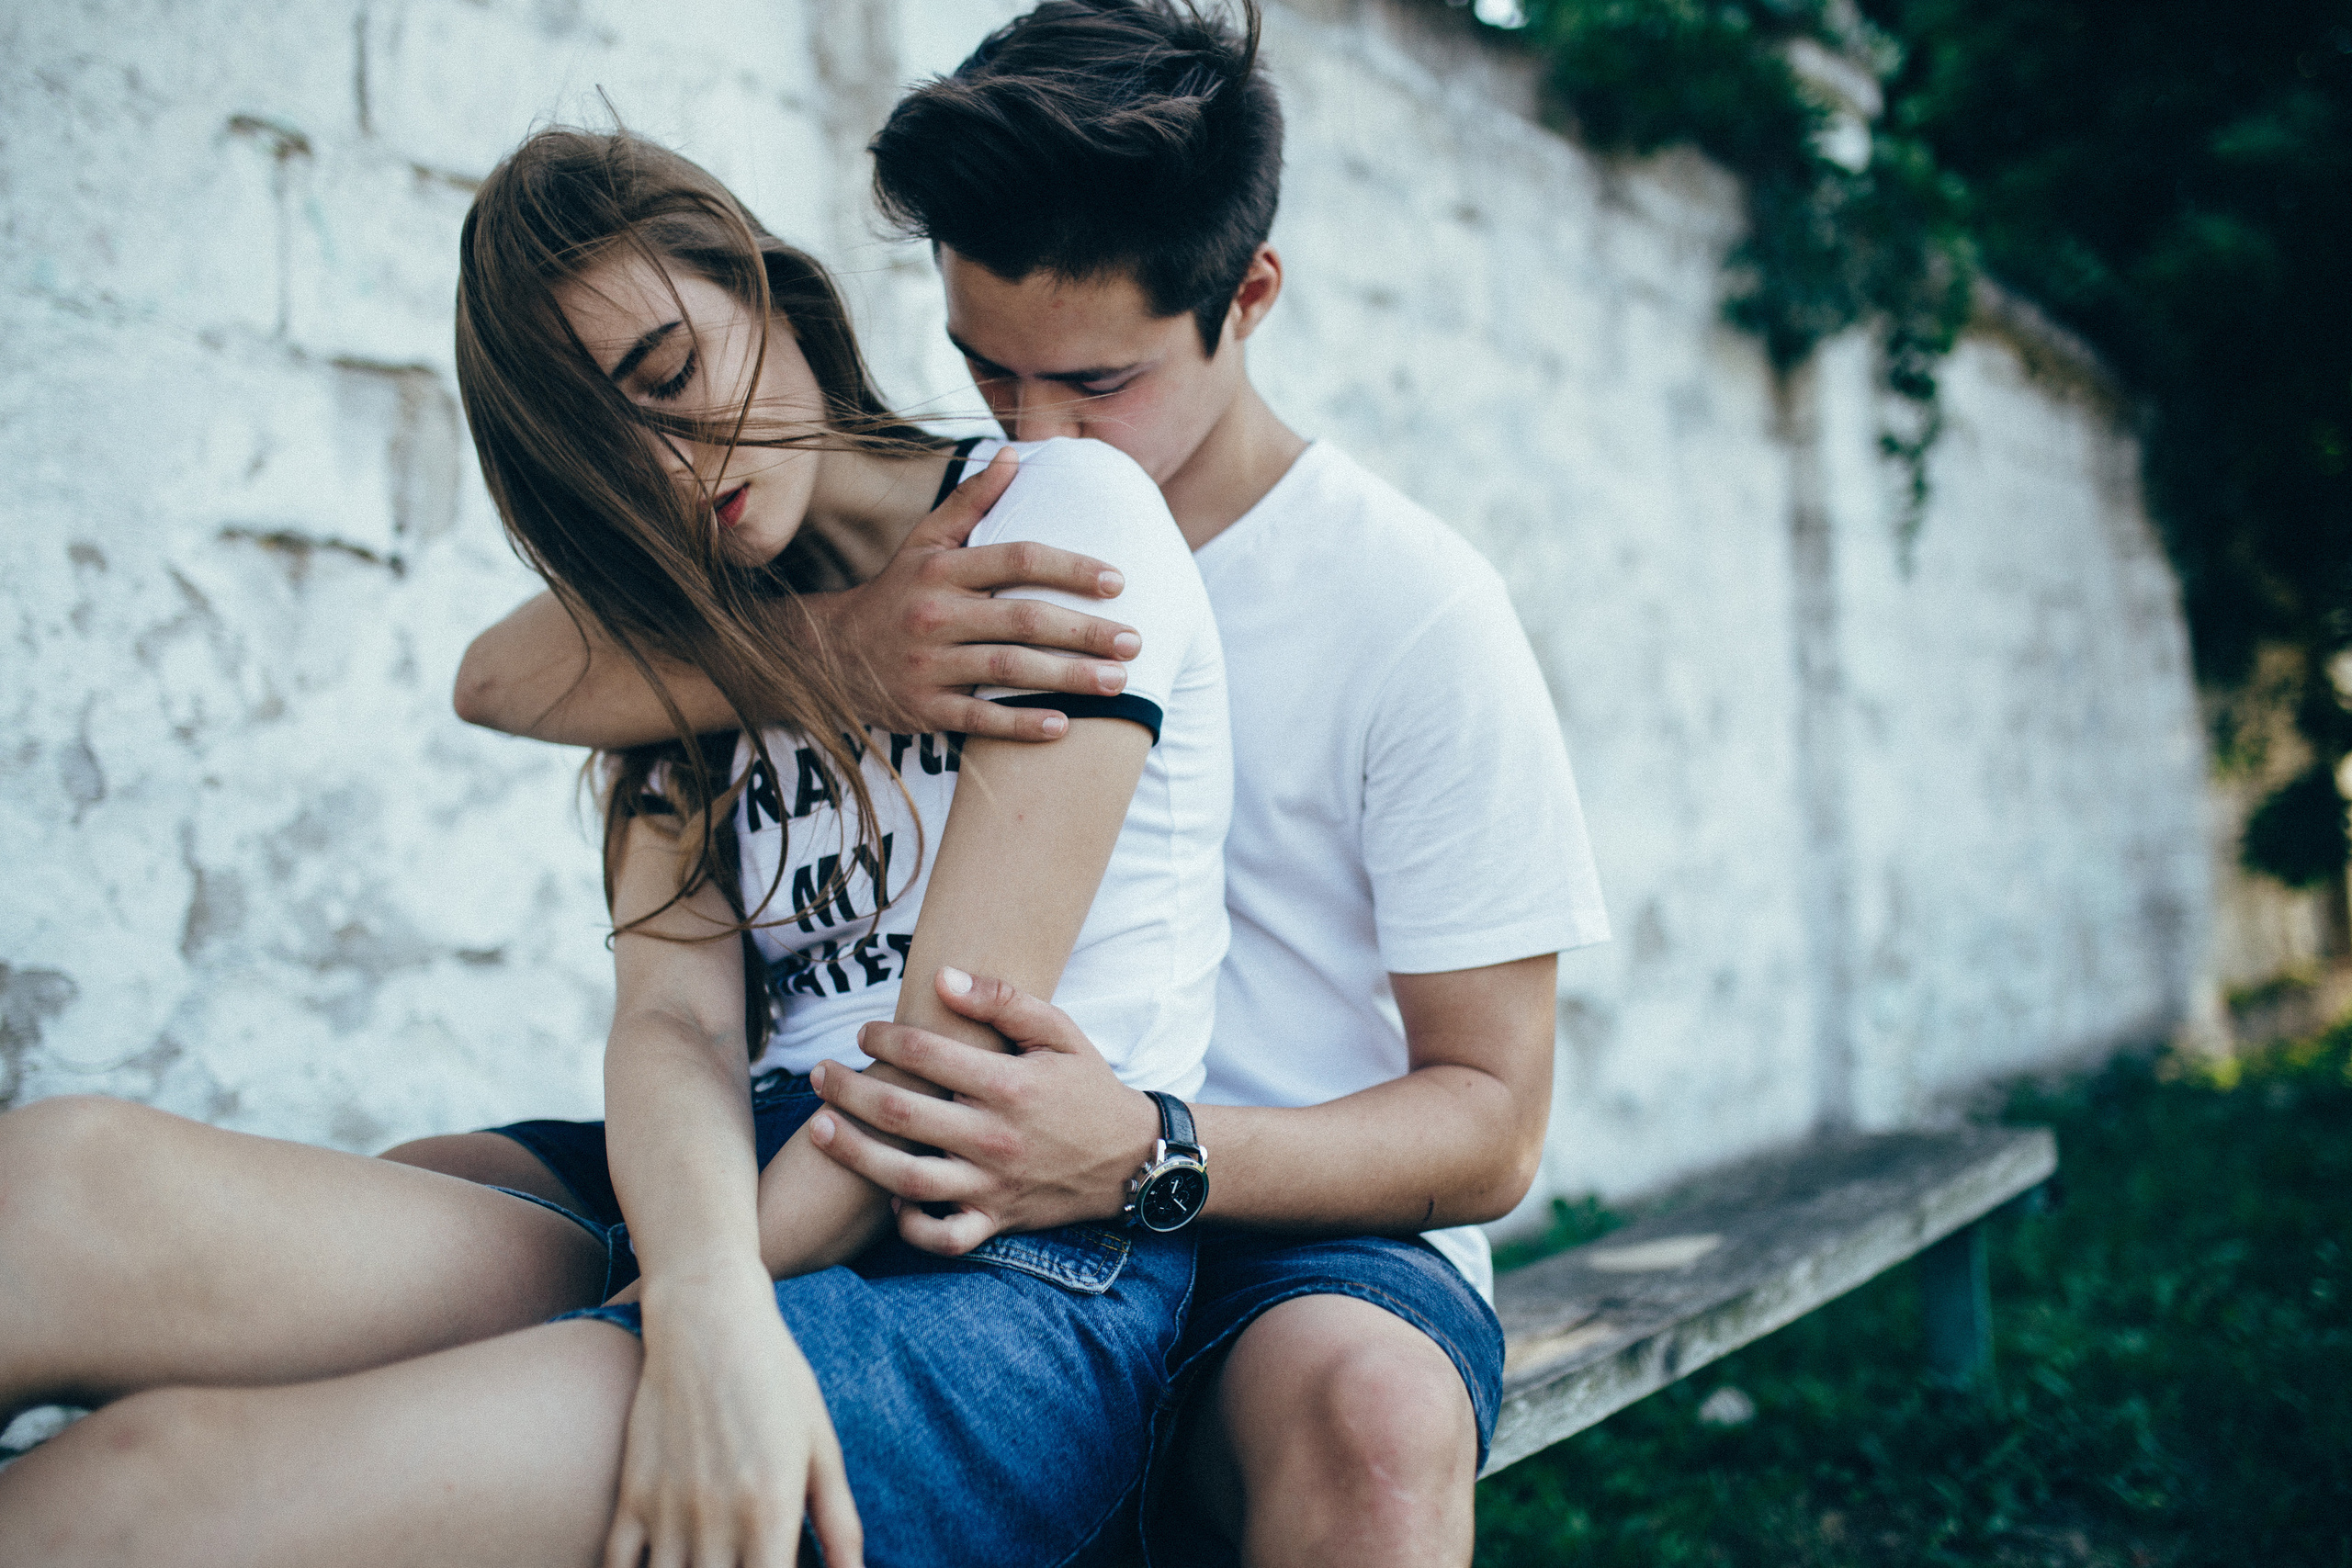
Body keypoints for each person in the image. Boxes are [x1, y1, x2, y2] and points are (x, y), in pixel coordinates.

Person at [450, 4, 1611, 1564]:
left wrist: (1147, 1150)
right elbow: (505, 673)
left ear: (1246, 295)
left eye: (1097, 382)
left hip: (1280, 1221)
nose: (1036, 426)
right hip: (894, 1147)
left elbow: (1491, 1125)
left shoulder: (1412, 608)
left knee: (1376, 1423)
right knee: (423, 1221)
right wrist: (845, 647)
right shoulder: (942, 529)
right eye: (986, 367)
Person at [0, 124, 1232, 1568]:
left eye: (670, 377)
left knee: (160, 1490)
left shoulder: (1053, 513)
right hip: (712, 1182)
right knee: (56, 1188)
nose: (665, 466)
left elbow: (941, 1072)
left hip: (995, 1260)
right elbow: (672, 1029)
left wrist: (698, 1299)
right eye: (603, 453)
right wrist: (700, 1281)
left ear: (767, 288)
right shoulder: (689, 654)